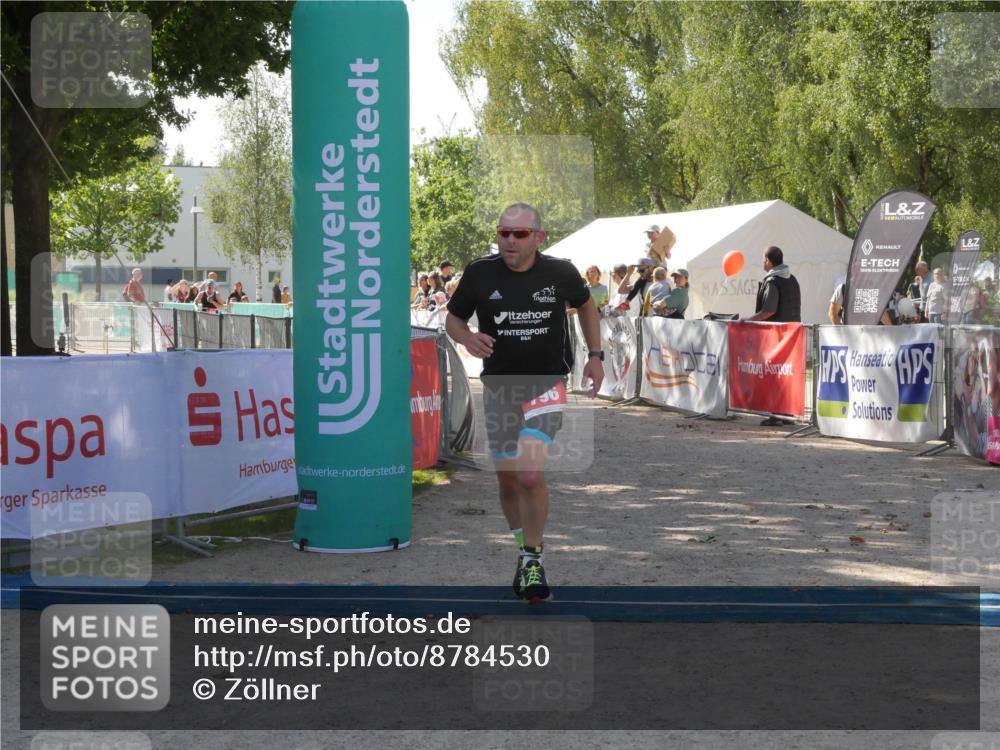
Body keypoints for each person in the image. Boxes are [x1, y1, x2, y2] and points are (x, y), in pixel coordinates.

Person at [446, 203, 603, 603]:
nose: (509, 241)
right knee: (508, 479)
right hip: (500, 386)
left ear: (538, 237)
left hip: (546, 383)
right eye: (503, 233)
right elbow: (454, 319)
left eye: (518, 234)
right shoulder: (480, 272)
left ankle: (533, 561)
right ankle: (523, 552)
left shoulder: (560, 272)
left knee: (530, 474)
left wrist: (596, 356)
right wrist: (466, 338)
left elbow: (587, 305)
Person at [747, 246, 801, 323]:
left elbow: (768, 311)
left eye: (763, 259)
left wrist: (748, 320)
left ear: (767, 260)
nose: (762, 262)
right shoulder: (793, 279)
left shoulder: (772, 281)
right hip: (793, 331)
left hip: (777, 332)